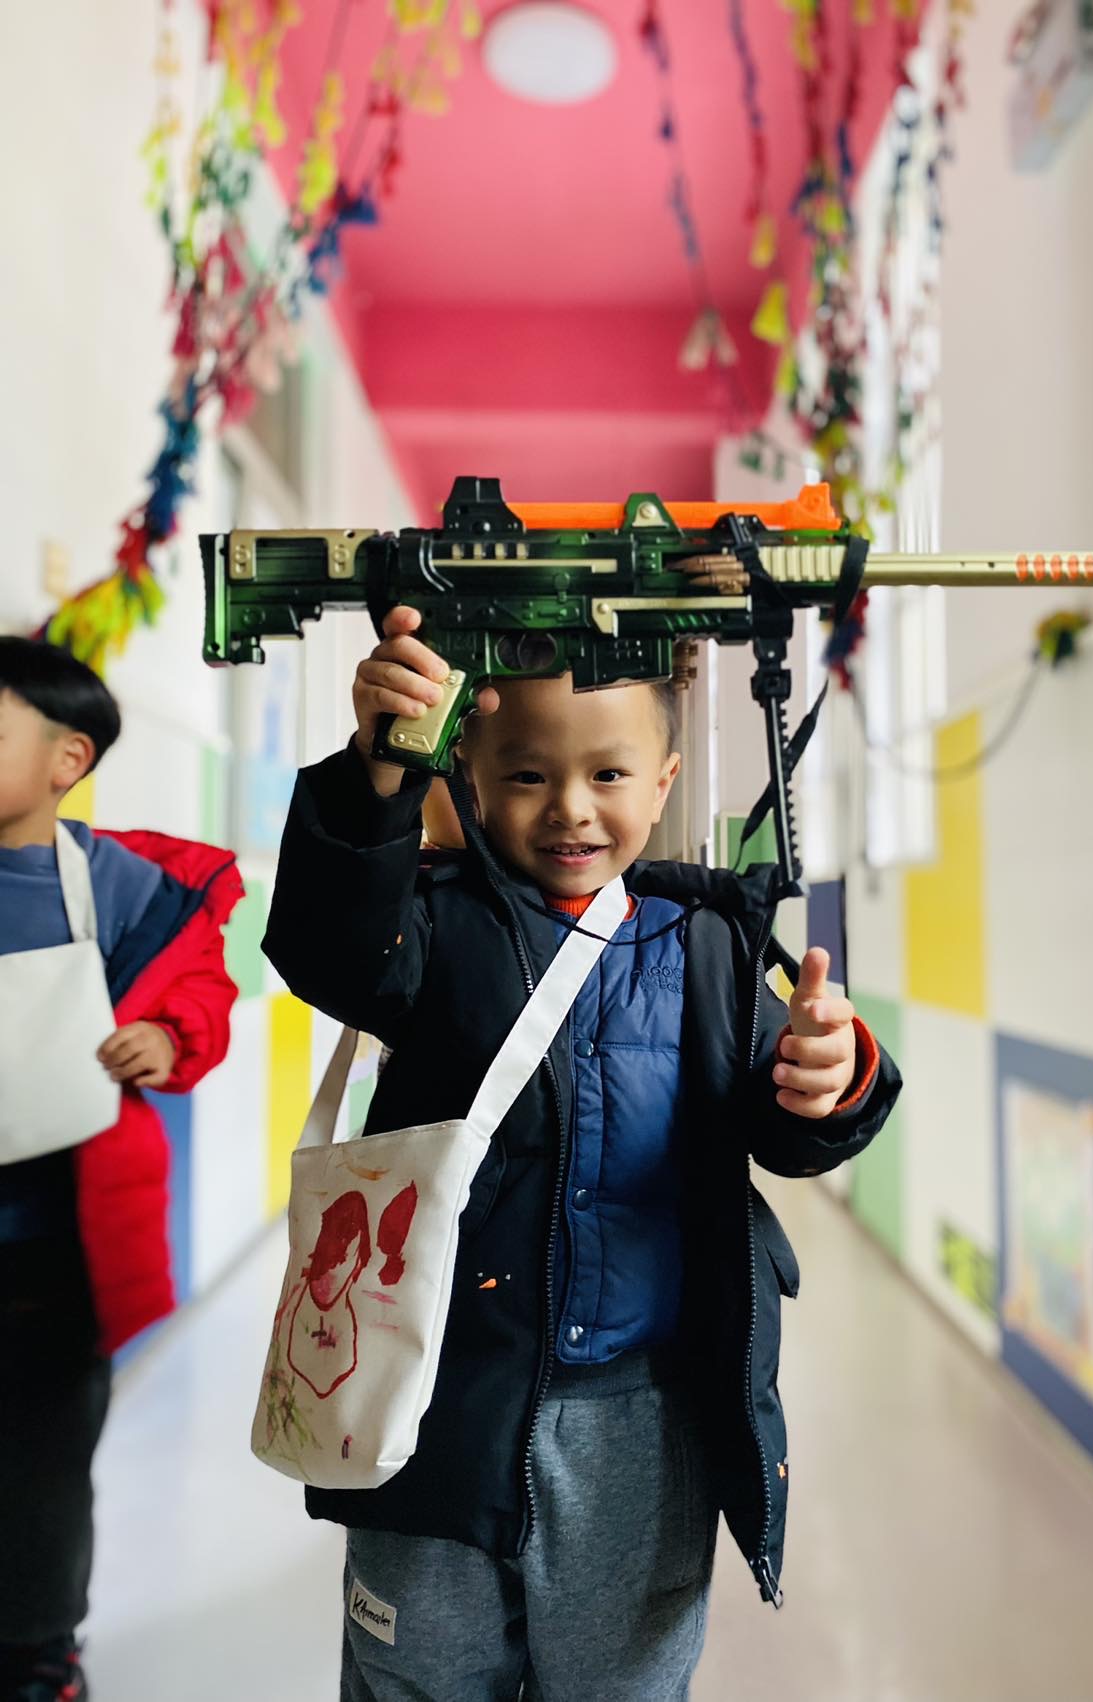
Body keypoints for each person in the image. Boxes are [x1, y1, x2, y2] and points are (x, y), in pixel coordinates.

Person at [264, 607, 901, 1702]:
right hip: (437, 1400)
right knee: (420, 1670)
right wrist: (375, 774)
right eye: (525, 775)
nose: (568, 806)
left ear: (661, 782)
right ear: (465, 776)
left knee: (625, 1680)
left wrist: (825, 1073)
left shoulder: (704, 941)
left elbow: (792, 1125)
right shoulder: (430, 923)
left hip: (641, 1420)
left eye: (607, 773)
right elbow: (333, 948)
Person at [0, 638, 243, 1702]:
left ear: (69, 759)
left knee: (42, 1472)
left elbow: (201, 989)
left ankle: (37, 1656)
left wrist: (167, 1035)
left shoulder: (114, 883)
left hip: (54, 1255)